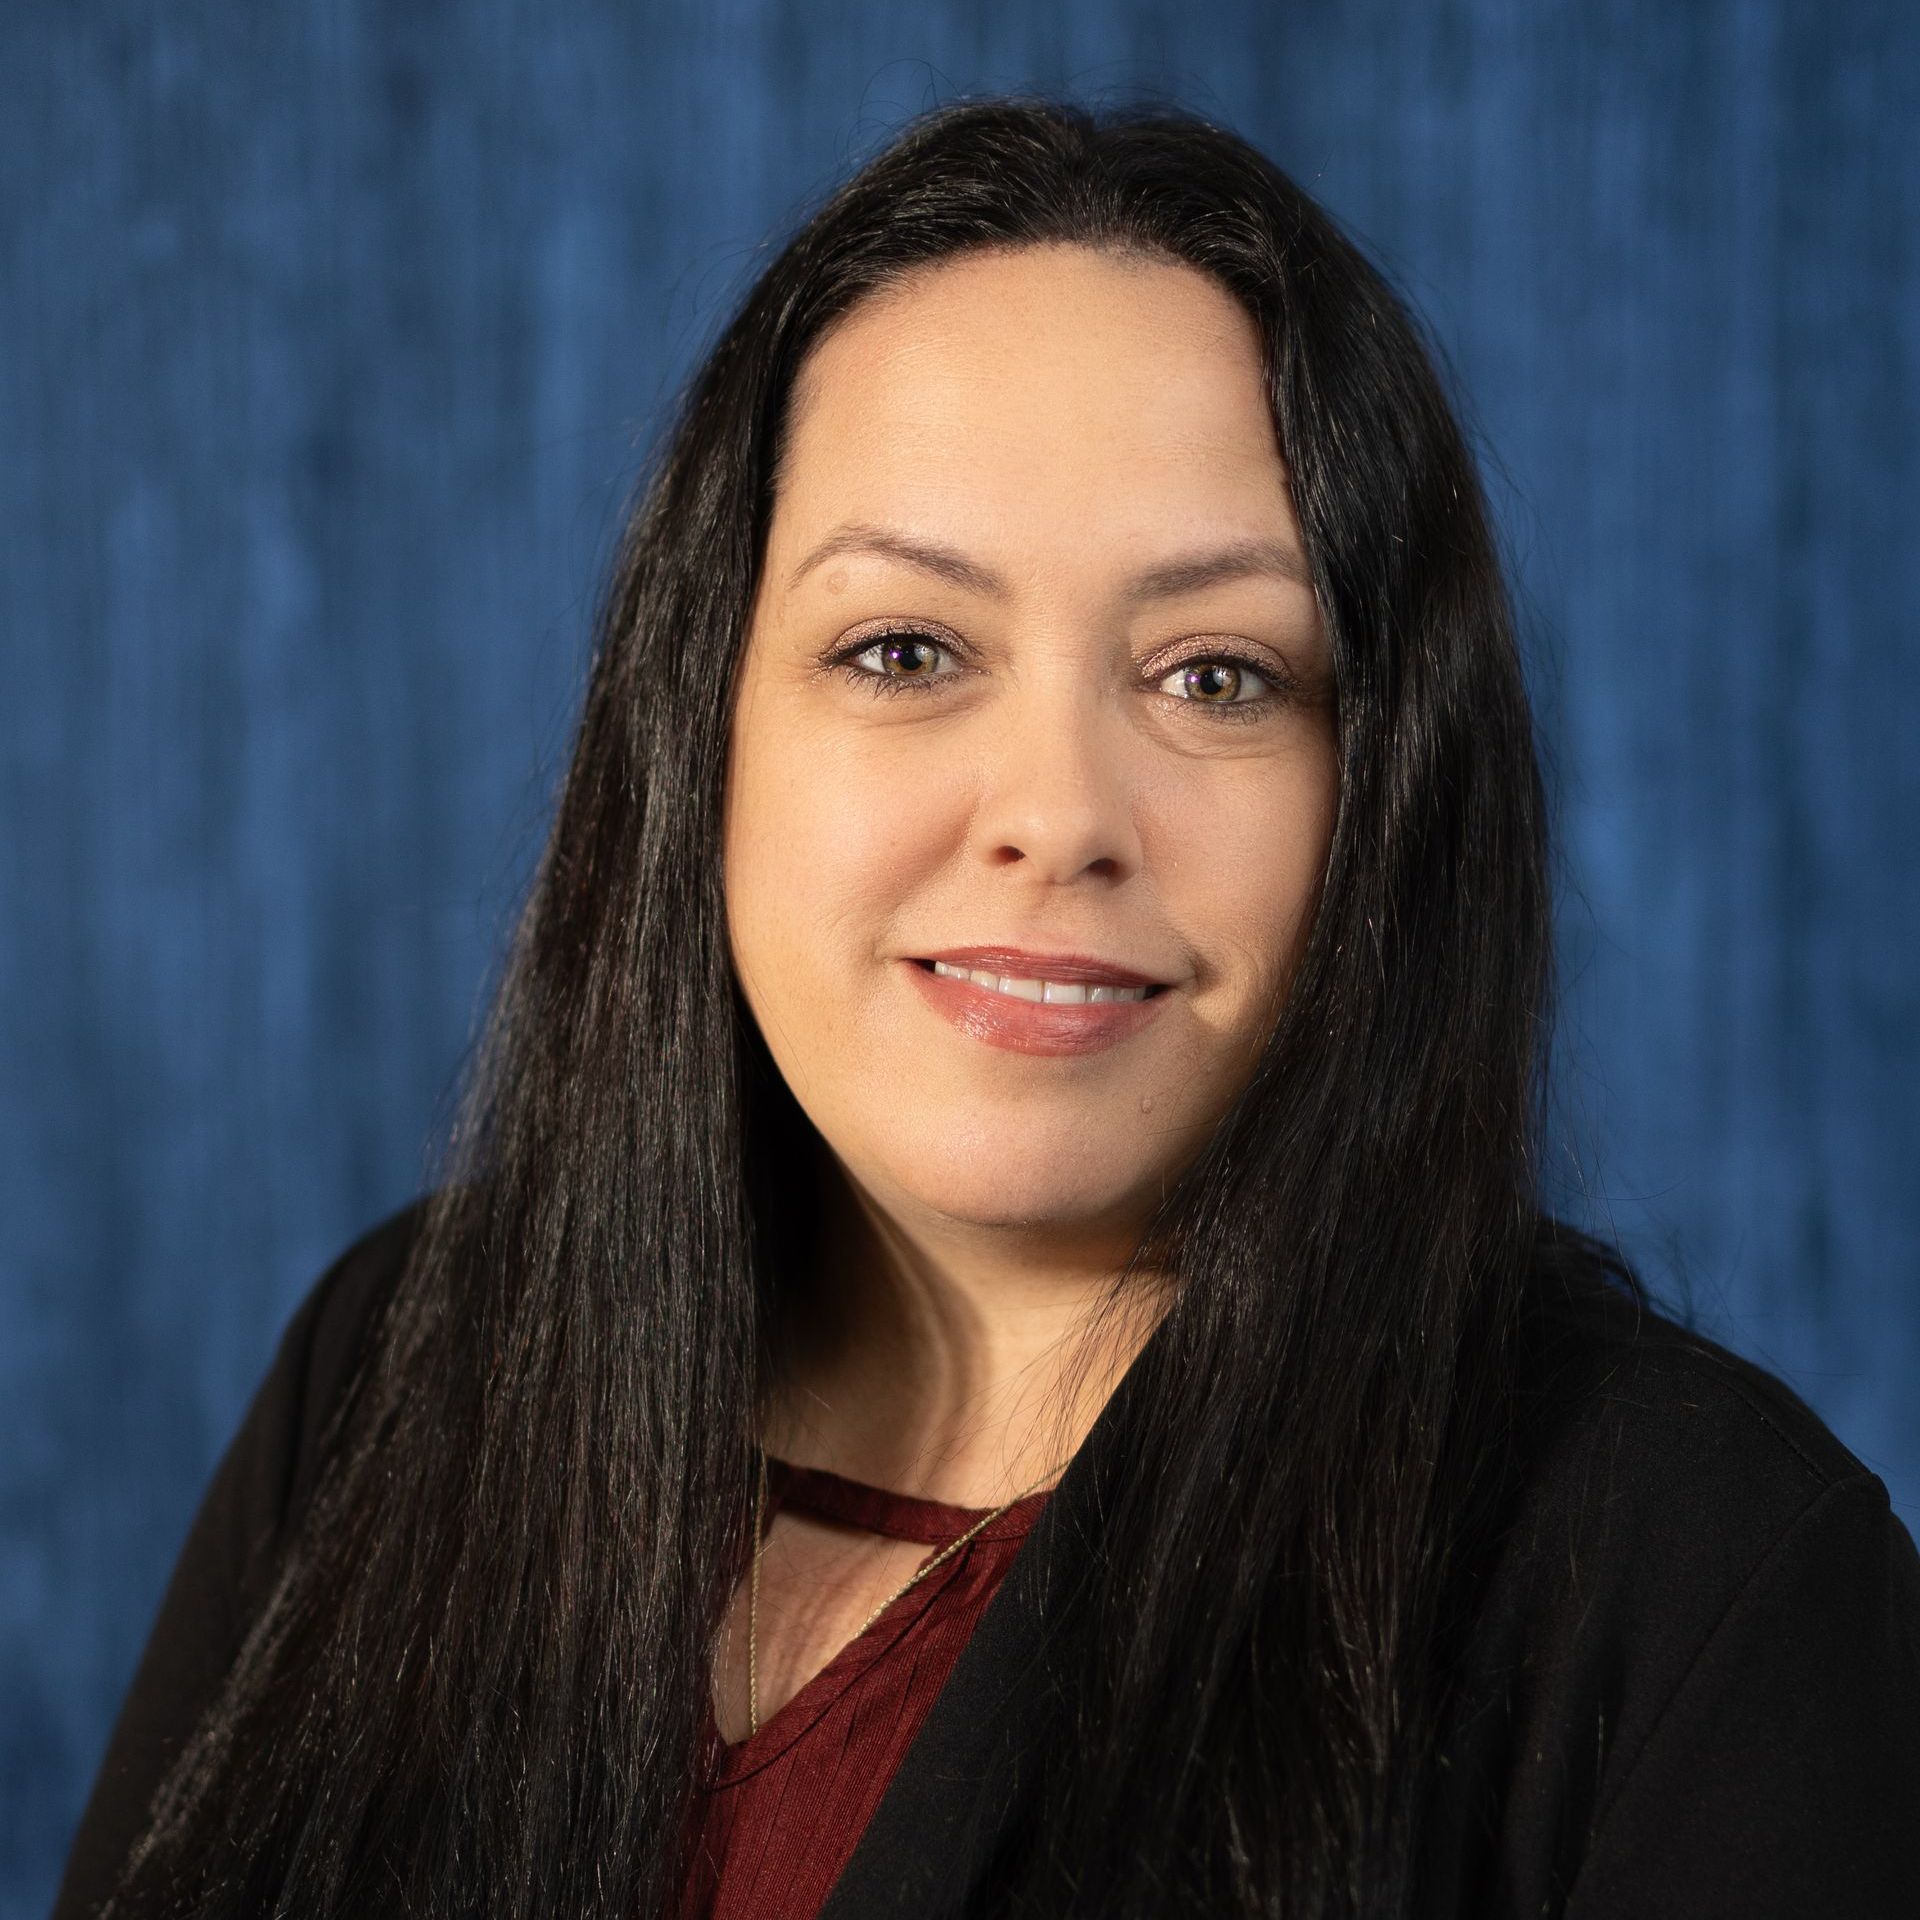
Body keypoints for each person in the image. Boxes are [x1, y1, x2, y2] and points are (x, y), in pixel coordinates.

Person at [51, 95, 1920, 1920]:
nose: (1055, 816)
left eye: (1215, 674)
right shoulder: (397, 1377)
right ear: (701, 733)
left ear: (1391, 797)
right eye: (905, 649)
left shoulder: (1694, 1591)